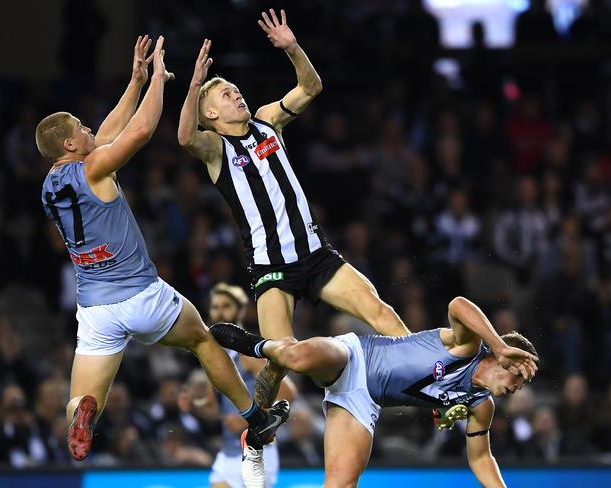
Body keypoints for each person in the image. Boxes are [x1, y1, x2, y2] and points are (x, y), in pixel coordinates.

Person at [35, 35, 288, 476]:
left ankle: (82, 410)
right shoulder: (93, 168)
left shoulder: (51, 186)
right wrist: (157, 81)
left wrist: (132, 83)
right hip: (141, 294)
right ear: (70, 146)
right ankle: (255, 417)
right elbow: (139, 132)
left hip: (94, 310)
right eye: (81, 127)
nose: (89, 128)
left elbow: (107, 134)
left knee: (84, 396)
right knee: (204, 341)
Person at [177, 8, 410, 412]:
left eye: (235, 89)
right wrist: (195, 83)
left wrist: (293, 48)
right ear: (211, 114)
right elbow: (184, 138)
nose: (236, 94)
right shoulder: (216, 149)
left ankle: (427, 376)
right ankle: (261, 407)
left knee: (381, 312)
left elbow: (311, 85)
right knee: (283, 356)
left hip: (316, 255)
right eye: (225, 95)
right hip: (272, 267)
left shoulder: (268, 122)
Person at [211, 296, 539, 487]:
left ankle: (265, 376)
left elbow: (482, 458)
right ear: (502, 359)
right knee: (295, 356)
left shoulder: (481, 405)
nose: (516, 388)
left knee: (341, 486)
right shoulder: (470, 345)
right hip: (357, 355)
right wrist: (499, 343)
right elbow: (458, 305)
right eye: (517, 378)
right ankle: (254, 345)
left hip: (362, 401)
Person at [206, 283, 297, 488]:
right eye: (215, 306)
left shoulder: (246, 354)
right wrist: (193, 407)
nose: (219, 312)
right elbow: (216, 412)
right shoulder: (216, 355)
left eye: (226, 305)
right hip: (228, 452)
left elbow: (288, 392)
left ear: (241, 310)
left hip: (256, 451)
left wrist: (249, 419)